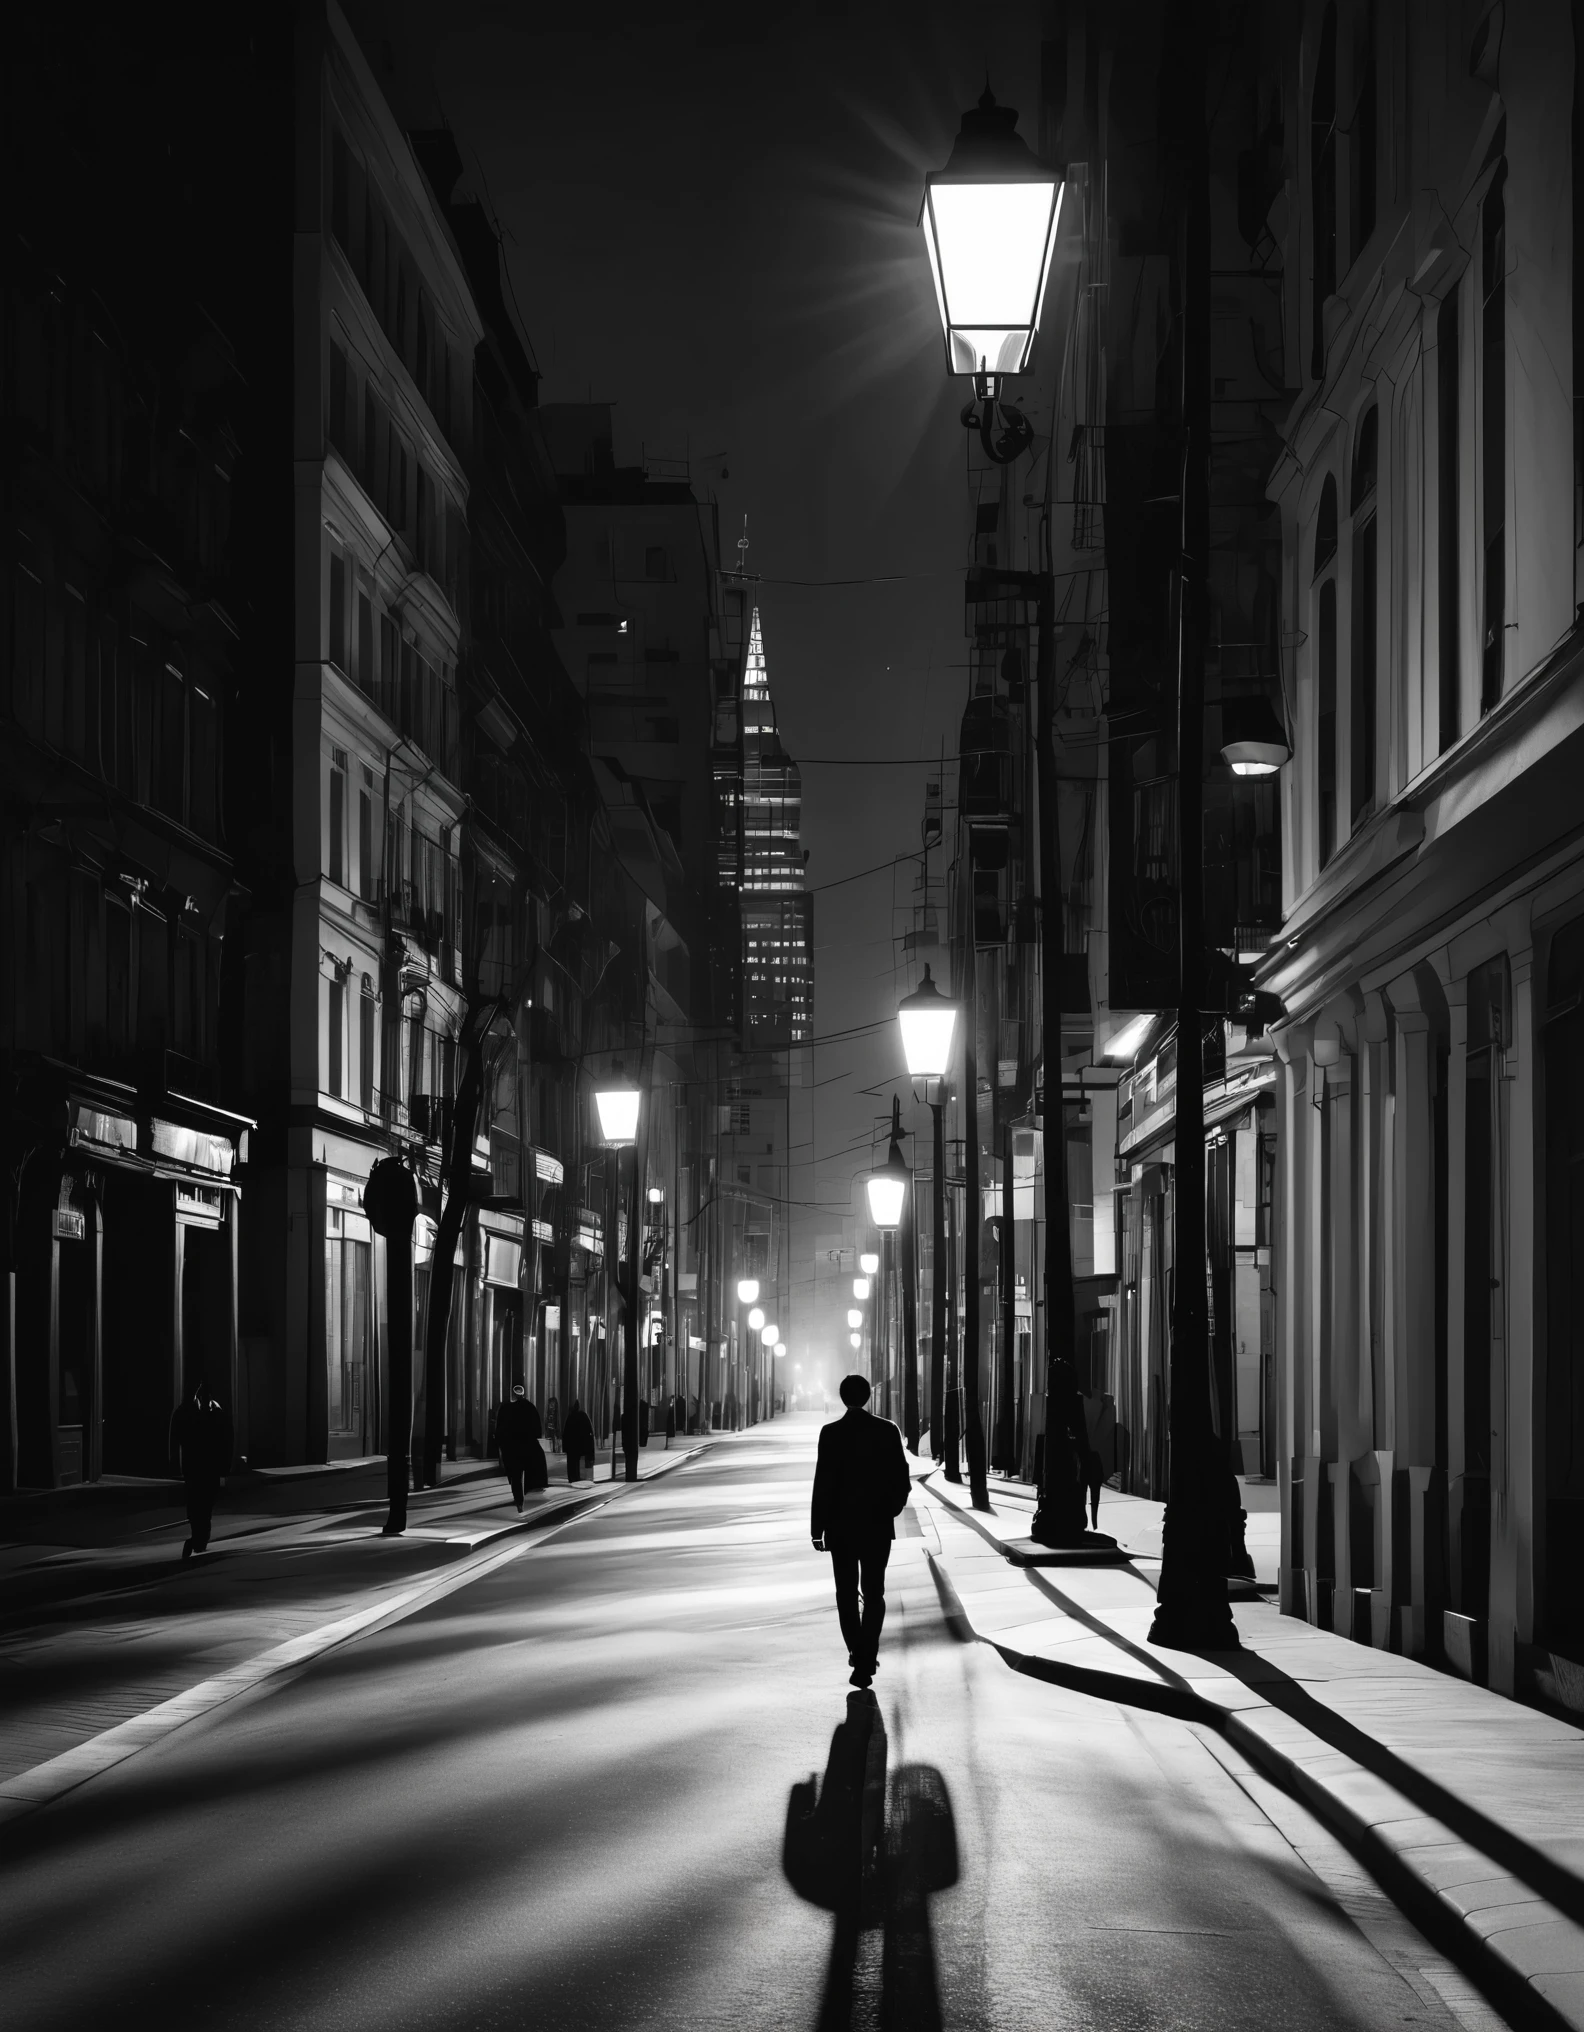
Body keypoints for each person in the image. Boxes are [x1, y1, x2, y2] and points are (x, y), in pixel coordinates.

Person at [811, 1374, 912, 1689]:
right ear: (868, 1396)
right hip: (876, 1527)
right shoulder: (887, 1431)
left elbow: (823, 1484)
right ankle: (867, 1653)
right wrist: (889, 1510)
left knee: (845, 1592)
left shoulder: (830, 1433)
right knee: (874, 1592)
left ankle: (857, 1650)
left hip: (840, 1528)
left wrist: (818, 1529)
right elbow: (901, 1478)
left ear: (843, 1398)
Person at [169, 1373, 233, 1559]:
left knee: (204, 1505)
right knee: (197, 1505)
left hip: (208, 1465)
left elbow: (226, 1440)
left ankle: (199, 1539)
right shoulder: (186, 1411)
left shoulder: (215, 1411)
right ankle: (199, 1539)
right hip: (195, 1465)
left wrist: (224, 1466)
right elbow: (177, 1436)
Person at [497, 1384, 546, 1511]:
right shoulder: (530, 1408)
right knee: (529, 1474)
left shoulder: (505, 1409)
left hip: (511, 1449)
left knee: (515, 1476)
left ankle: (518, 1500)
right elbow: (537, 1430)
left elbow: (500, 1431)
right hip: (527, 1447)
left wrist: (502, 1447)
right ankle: (527, 1499)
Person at [562, 1396, 595, 1483]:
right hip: (580, 1444)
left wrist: (564, 1446)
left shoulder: (570, 1417)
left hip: (571, 1445)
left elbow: (566, 1433)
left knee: (572, 1462)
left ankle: (572, 1478)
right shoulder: (583, 1416)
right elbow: (589, 1431)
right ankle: (578, 1477)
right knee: (578, 1461)